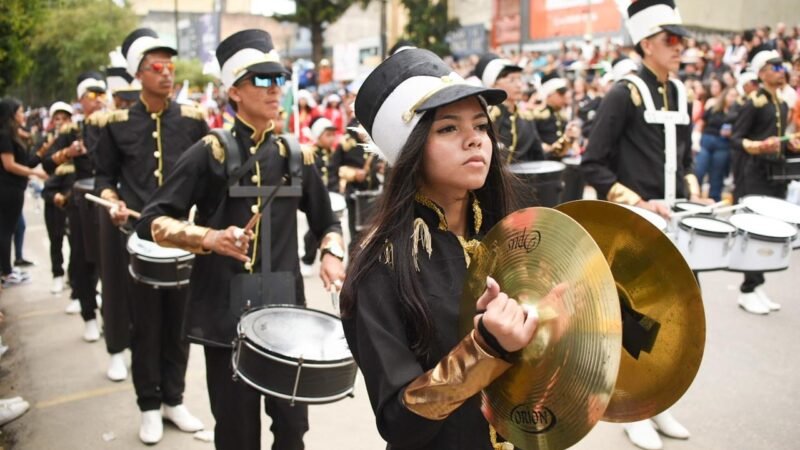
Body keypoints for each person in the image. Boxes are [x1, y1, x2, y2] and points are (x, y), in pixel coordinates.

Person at [339, 47, 564, 449]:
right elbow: (399, 420)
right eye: (448, 128)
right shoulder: (380, 265)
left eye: (480, 124)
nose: (474, 139)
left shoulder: (515, 234)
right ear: (411, 150)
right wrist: (484, 349)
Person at [135, 29, 346, 450]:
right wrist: (209, 237)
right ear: (234, 91)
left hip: (288, 316)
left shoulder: (297, 155)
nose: (275, 89)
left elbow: (328, 223)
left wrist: (331, 254)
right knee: (235, 434)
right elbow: (152, 221)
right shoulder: (208, 152)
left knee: (292, 430)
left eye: (279, 79)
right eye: (261, 80)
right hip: (226, 315)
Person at [580, 1, 702, 448]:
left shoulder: (683, 92)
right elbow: (593, 162)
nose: (679, 47)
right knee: (632, 320)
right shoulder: (623, 92)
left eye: (681, 39)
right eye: (671, 40)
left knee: (670, 320)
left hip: (675, 222)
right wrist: (639, 202)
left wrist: (694, 189)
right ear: (646, 43)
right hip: (634, 223)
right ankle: (632, 409)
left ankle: (659, 403)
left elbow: (685, 159)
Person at [94, 28, 208, 444]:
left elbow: (210, 178)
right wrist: (112, 200)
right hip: (140, 240)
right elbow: (105, 176)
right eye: (157, 67)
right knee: (145, 327)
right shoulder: (116, 124)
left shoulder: (193, 121)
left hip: (184, 240)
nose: (167, 74)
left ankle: (173, 400)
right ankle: (147, 405)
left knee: (179, 326)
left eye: (170, 67)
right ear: (138, 74)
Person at [730, 49, 800, 315]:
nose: (781, 70)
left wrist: (789, 145)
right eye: (775, 66)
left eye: (781, 66)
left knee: (771, 233)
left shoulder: (781, 102)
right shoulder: (753, 102)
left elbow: (779, 139)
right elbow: (736, 139)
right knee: (758, 233)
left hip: (775, 174)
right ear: (762, 73)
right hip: (756, 174)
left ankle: (758, 285)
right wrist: (760, 146)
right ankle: (747, 288)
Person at [42, 72, 107, 332]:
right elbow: (46, 163)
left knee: (110, 264)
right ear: (81, 100)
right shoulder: (72, 130)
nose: (99, 100)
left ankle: (111, 323)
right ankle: (89, 315)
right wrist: (68, 153)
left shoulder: (113, 123)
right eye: (93, 95)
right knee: (81, 260)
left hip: (108, 200)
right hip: (80, 203)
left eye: (102, 94)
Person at [0, 98, 47, 288]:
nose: (23, 115)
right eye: (20, 111)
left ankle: (8, 267)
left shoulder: (13, 135)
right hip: (8, 189)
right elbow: (10, 165)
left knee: (13, 228)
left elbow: (25, 162)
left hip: (15, 188)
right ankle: (6, 272)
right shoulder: (4, 136)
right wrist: (35, 173)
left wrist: (41, 152)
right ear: (11, 115)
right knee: (6, 230)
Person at [474, 53, 545, 163]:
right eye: (512, 80)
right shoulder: (487, 117)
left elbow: (537, 155)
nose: (519, 85)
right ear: (493, 84)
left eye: (520, 79)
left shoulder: (525, 117)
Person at [38, 101, 75, 294]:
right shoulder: (49, 143)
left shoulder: (78, 139)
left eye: (65, 118)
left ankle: (73, 277)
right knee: (56, 239)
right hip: (54, 196)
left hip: (73, 198)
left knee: (76, 244)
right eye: (57, 118)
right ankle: (57, 275)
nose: (61, 122)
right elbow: (42, 164)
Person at [300, 117, 340, 276]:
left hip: (331, 195)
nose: (331, 138)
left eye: (333, 135)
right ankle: (307, 259)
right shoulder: (310, 154)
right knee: (313, 231)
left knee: (331, 227)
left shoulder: (333, 153)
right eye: (327, 135)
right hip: (316, 198)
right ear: (318, 136)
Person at [694, 86, 738, 201]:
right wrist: (696, 137)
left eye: (735, 96)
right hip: (707, 140)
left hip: (723, 144)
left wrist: (731, 133)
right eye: (731, 95)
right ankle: (694, 196)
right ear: (725, 95)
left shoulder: (736, 113)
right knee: (699, 169)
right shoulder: (714, 108)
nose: (733, 98)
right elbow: (702, 122)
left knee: (717, 175)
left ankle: (714, 200)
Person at [534, 77, 581, 159]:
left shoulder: (561, 115)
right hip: (545, 159)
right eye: (561, 94)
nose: (565, 97)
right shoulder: (537, 115)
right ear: (549, 95)